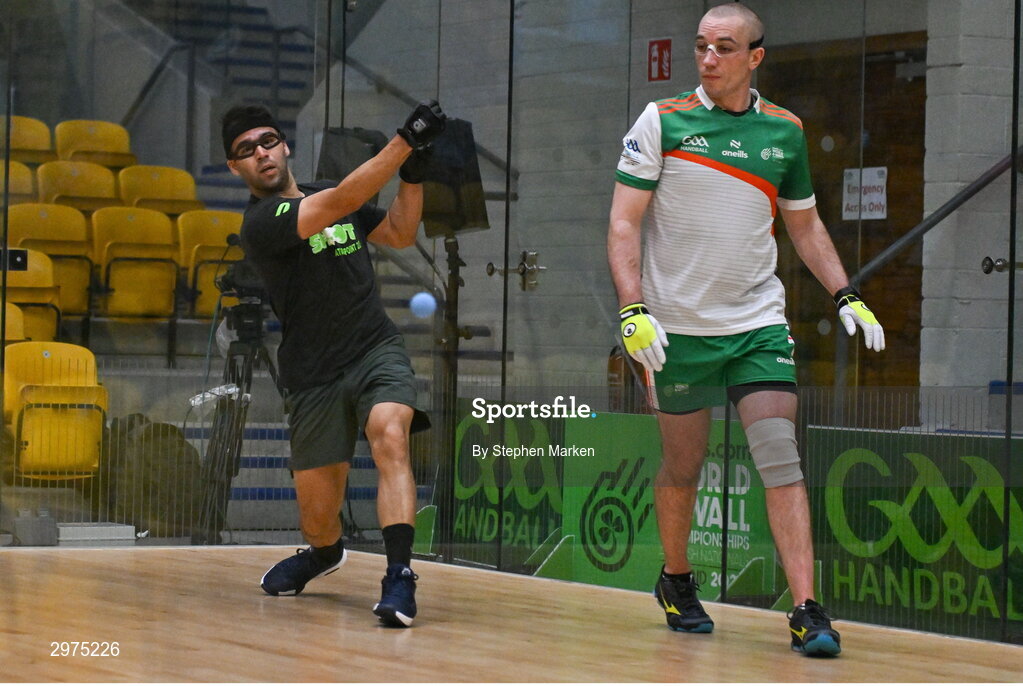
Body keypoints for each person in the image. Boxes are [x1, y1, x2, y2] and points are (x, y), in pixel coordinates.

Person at [607, 2, 884, 657]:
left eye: (723, 47)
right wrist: (632, 308)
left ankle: (807, 610)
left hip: (756, 324)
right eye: (701, 46)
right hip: (674, 333)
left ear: (753, 57)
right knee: (683, 466)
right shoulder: (663, 122)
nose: (708, 58)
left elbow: (805, 225)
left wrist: (844, 293)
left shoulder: (784, 134)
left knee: (778, 455)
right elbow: (623, 222)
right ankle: (675, 580)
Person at [222, 100, 446, 627]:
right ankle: (324, 554)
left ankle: (399, 576)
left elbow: (398, 233)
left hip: (374, 348)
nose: (261, 153)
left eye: (268, 140)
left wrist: (411, 179)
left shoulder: (326, 193)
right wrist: (404, 143)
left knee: (390, 433)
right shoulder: (260, 223)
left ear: (285, 146)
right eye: (245, 150)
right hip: (312, 375)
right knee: (319, 521)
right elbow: (344, 198)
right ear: (236, 168)